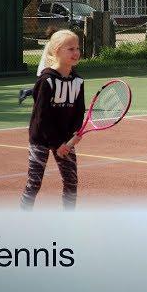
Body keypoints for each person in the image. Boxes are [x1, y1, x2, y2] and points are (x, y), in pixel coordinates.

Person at [20, 29, 85, 210]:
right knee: (34, 183)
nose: (76, 52)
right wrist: (58, 144)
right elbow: (42, 118)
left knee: (71, 183)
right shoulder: (46, 81)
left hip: (65, 140)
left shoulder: (78, 81)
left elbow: (79, 112)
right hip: (41, 138)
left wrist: (72, 136)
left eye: (77, 48)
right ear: (56, 50)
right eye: (70, 49)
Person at [19, 26, 60, 105]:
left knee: (46, 87)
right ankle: (28, 93)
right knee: (46, 87)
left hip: (47, 70)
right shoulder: (52, 45)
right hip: (46, 70)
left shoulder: (51, 44)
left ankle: (26, 92)